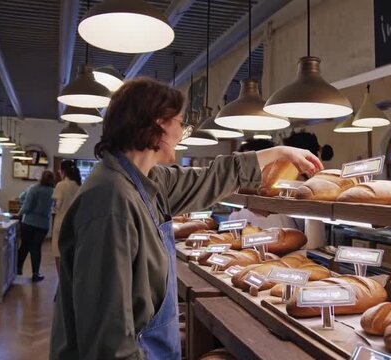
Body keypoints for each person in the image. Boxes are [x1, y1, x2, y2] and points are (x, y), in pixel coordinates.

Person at [49, 78, 322, 360]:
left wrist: (279, 153)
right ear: (157, 125)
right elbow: (107, 336)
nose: (182, 134)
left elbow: (209, 178)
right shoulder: (110, 201)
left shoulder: (147, 180)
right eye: (181, 123)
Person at [17, 170, 55, 282]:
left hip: (29, 222)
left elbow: (24, 203)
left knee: (24, 246)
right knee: (36, 248)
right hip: (43, 224)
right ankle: (35, 274)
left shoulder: (33, 188)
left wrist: (19, 214)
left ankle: (17, 269)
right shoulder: (53, 191)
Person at [51, 160, 81, 274]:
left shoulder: (61, 185)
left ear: (63, 171)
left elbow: (58, 205)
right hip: (75, 223)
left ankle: (61, 282)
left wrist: (55, 208)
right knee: (71, 253)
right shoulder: (79, 185)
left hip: (61, 222)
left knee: (58, 252)